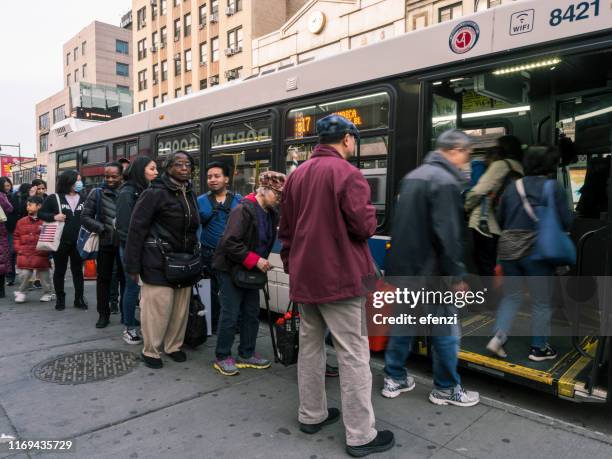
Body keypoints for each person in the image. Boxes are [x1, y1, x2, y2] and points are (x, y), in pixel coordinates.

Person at [279, 114, 394, 457]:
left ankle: (311, 414)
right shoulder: (348, 174)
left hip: (305, 278)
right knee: (354, 353)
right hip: (341, 280)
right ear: (346, 138)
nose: (354, 145)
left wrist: (293, 267)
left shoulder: (296, 177)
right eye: (354, 140)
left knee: (311, 347)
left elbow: (285, 232)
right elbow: (364, 227)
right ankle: (360, 435)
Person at [382, 129, 480, 408]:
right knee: (446, 330)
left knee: (403, 324)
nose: (466, 161)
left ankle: (395, 377)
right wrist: (456, 276)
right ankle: (446, 388)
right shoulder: (445, 181)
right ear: (455, 150)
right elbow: (447, 235)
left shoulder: (413, 177)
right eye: (467, 155)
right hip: (433, 274)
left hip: (406, 271)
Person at [487, 146, 573, 361]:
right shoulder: (552, 187)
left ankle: (498, 338)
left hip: (508, 247)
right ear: (550, 165)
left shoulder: (512, 187)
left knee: (512, 296)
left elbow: (499, 217)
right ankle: (539, 348)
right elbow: (565, 221)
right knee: (541, 301)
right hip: (537, 250)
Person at [125, 151, 200, 369]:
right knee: (157, 311)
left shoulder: (190, 192)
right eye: (179, 164)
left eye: (188, 164)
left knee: (179, 310)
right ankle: (151, 350)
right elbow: (136, 229)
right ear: (168, 167)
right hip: (157, 261)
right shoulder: (154, 192)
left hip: (184, 262)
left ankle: (173, 346)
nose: (185, 167)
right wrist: (133, 265)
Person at [212, 171, 285, 376]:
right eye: (277, 195)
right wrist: (256, 260)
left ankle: (246, 352)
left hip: (249, 270)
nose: (279, 199)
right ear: (264, 190)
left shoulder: (270, 212)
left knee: (251, 313)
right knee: (231, 314)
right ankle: (222, 356)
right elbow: (229, 243)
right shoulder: (243, 209)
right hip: (231, 269)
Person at [465, 136, 524, 276]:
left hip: (485, 224)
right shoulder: (520, 167)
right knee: (496, 265)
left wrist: (465, 207)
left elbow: (478, 191)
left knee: (484, 266)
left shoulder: (500, 165)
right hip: (504, 225)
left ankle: (487, 295)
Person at [116, 156, 159, 344]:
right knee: (131, 287)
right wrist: (135, 252)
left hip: (146, 247)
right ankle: (129, 328)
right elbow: (125, 228)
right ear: (141, 170)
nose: (156, 172)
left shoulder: (147, 190)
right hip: (131, 249)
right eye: (152, 168)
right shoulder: (127, 192)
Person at [197, 161, 243, 333]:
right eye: (209, 177)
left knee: (232, 291)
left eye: (217, 176)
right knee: (210, 291)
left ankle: (234, 324)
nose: (212, 180)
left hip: (231, 255)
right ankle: (213, 323)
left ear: (226, 179)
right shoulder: (200, 201)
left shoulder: (238, 200)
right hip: (208, 253)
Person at [81, 162, 125, 329]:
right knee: (103, 280)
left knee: (125, 280)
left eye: (114, 176)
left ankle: (125, 314)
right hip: (105, 243)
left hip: (124, 243)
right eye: (107, 176)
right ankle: (103, 314)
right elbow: (85, 217)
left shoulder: (128, 192)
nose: (110, 179)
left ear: (121, 176)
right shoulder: (96, 193)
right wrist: (102, 229)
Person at [39, 170, 87, 311]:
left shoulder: (84, 198)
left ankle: (79, 299)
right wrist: (54, 217)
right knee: (59, 270)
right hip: (60, 241)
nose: (79, 183)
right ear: (68, 181)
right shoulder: (55, 198)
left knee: (78, 271)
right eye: (77, 180)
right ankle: (60, 299)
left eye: (80, 180)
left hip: (79, 242)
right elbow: (41, 213)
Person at [12, 196, 54, 303]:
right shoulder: (21, 221)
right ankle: (22, 292)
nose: (27, 207)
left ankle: (48, 292)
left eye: (30, 205)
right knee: (25, 274)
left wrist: (45, 249)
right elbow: (16, 236)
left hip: (41, 252)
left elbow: (50, 236)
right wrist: (19, 249)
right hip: (25, 253)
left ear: (39, 206)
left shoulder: (46, 221)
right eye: (27, 205)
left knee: (44, 275)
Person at [0, 177, 16, 288]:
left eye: (9, 185)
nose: (8, 188)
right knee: (5, 254)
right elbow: (10, 208)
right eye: (5, 186)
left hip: (6, 228)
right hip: (3, 228)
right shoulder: (2, 196)